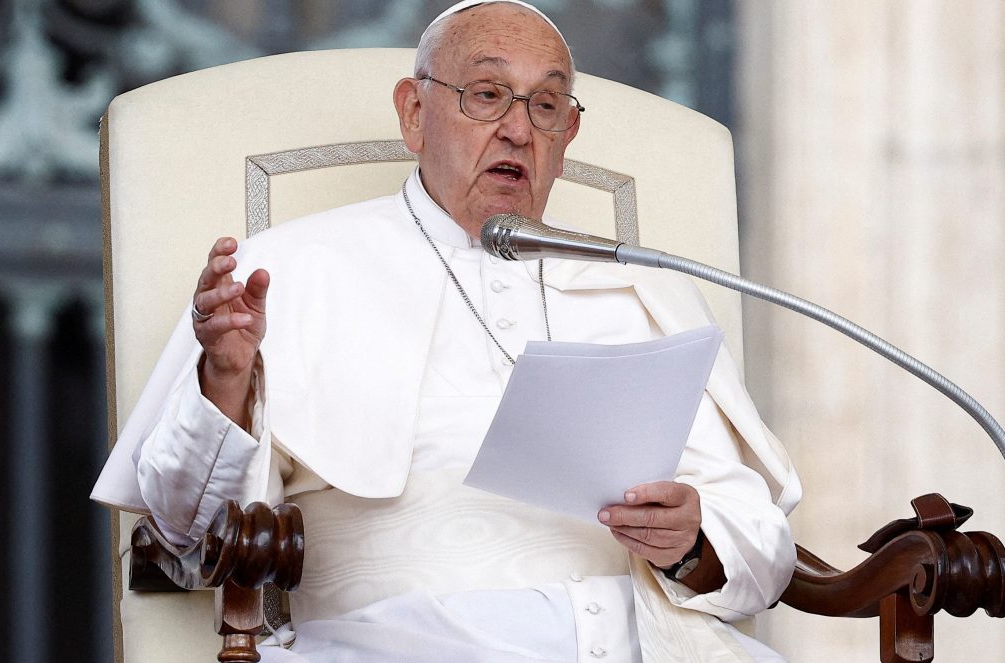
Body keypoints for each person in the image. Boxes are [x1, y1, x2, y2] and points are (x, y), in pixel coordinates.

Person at [93, 1, 801, 661]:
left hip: (645, 642)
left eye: (546, 106)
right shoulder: (285, 272)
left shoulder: (646, 287)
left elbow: (764, 553)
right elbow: (186, 526)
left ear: (567, 136)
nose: (519, 130)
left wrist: (691, 542)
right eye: (487, 95)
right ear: (414, 113)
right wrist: (224, 379)